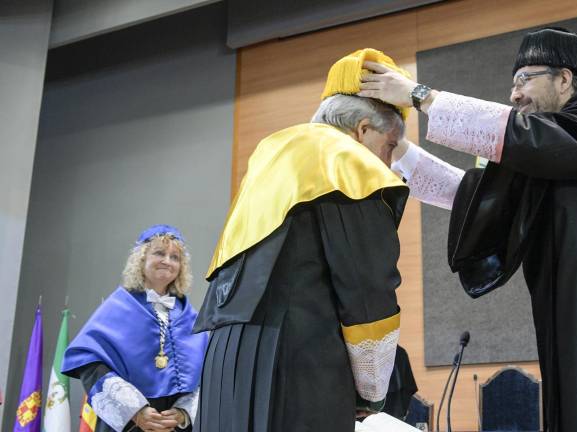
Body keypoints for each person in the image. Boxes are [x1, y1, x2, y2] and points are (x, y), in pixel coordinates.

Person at [360, 27, 577, 431]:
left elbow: (525, 137)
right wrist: (396, 146)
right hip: (569, 315)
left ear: (564, 78)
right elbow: (470, 195)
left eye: (524, 79)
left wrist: (420, 96)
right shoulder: (544, 157)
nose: (514, 94)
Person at [193, 48, 411, 432]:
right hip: (297, 360)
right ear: (363, 129)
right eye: (390, 145)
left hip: (225, 361)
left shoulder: (272, 152)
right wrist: (372, 390)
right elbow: (367, 288)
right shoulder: (348, 162)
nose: (389, 164)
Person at [62, 225, 207, 432]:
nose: (167, 261)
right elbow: (88, 362)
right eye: (159, 253)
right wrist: (134, 411)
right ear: (141, 258)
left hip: (174, 427)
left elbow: (205, 373)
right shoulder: (118, 306)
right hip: (129, 425)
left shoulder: (190, 316)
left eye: (175, 257)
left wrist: (184, 413)